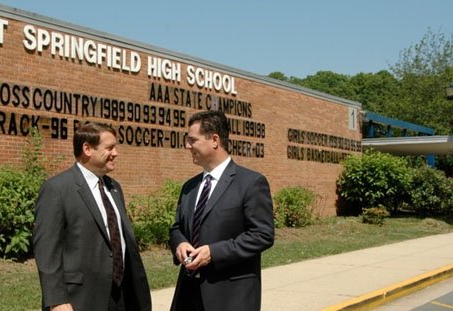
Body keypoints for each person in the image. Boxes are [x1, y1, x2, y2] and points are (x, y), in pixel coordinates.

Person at [33, 122, 151, 311]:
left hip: (122, 296)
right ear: (87, 148)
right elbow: (47, 250)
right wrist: (57, 300)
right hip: (81, 299)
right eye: (109, 147)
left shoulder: (114, 188)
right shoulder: (57, 189)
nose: (116, 153)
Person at [169, 110, 275, 311]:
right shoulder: (189, 187)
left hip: (231, 297)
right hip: (188, 296)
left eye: (192, 140)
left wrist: (214, 252)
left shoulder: (251, 183)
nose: (187, 145)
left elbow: (262, 235)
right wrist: (180, 243)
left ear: (214, 140)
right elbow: (176, 228)